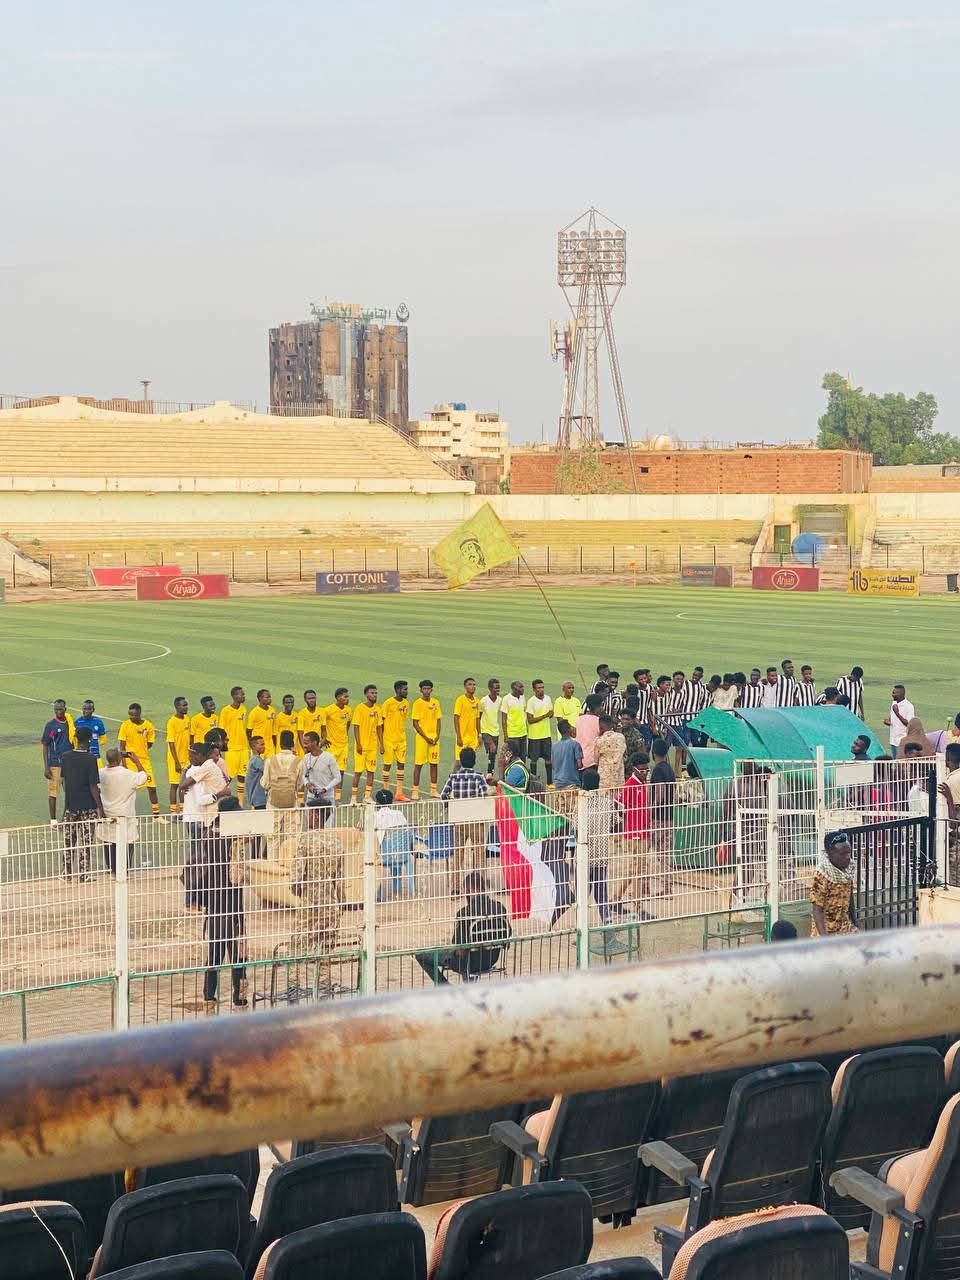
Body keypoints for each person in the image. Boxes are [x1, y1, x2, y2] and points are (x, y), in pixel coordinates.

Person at [414, 871, 511, 985]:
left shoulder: (464, 913)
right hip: (491, 959)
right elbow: (507, 937)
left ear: (468, 891)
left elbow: (460, 949)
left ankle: (445, 987)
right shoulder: (500, 908)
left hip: (469, 963)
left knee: (421, 955)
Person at [198, 797, 248, 1009]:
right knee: (239, 953)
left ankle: (209, 996)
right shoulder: (234, 840)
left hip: (213, 902)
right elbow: (238, 876)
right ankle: (240, 997)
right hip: (232, 901)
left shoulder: (207, 835)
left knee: (214, 952)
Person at [440, 745, 490, 895]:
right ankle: (479, 886)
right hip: (475, 819)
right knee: (480, 854)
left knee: (458, 855)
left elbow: (443, 795)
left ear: (461, 762)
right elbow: (484, 796)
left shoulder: (453, 777)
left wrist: (451, 807)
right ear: (474, 761)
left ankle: (455, 888)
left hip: (459, 819)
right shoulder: (479, 777)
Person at [59, 726, 104, 880]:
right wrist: (100, 808)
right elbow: (93, 786)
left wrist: (66, 804)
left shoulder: (65, 756)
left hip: (70, 806)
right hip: (88, 807)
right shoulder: (91, 759)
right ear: (90, 739)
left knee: (69, 841)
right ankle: (84, 874)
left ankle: (67, 873)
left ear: (76, 738)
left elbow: (64, 781)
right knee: (86, 842)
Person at [614, 751, 653, 913]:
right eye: (642, 771)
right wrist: (626, 817)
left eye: (647, 771)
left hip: (643, 833)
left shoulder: (643, 784)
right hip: (634, 834)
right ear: (635, 769)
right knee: (638, 871)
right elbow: (617, 803)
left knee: (635, 870)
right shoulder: (629, 784)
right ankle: (637, 906)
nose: (645, 774)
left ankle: (616, 898)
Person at [98, 746, 147, 874]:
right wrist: (137, 761)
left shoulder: (100, 773)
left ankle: (111, 869)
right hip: (125, 815)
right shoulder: (128, 774)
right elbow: (144, 777)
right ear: (120, 759)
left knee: (108, 841)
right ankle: (123, 870)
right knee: (126, 842)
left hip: (107, 814)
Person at [810, 831, 857, 937]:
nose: (847, 857)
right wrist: (825, 938)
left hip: (845, 928)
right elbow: (817, 911)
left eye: (849, 853)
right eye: (842, 854)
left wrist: (855, 923)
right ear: (830, 852)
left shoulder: (848, 871)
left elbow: (850, 899)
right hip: (825, 930)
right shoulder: (822, 875)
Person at [118, 703, 161, 817]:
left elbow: (150, 742)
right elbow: (122, 746)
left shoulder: (148, 726)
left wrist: (141, 750)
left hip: (144, 761)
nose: (131, 717)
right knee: (129, 791)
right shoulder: (125, 725)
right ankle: (127, 815)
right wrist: (124, 763)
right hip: (130, 761)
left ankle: (156, 816)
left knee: (152, 788)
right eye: (130, 715)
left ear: (139, 714)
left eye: (134, 715)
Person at [373, 789, 416, 900]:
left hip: (384, 856)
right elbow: (408, 833)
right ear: (392, 802)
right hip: (401, 853)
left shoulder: (374, 816)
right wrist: (411, 848)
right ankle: (399, 890)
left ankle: (379, 894)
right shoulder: (399, 814)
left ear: (376, 803)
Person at [40, 698, 75, 823]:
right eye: (56, 709)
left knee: (70, 792)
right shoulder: (51, 726)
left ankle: (66, 818)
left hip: (69, 764)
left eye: (60, 709)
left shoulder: (70, 723)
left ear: (65, 709)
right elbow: (45, 745)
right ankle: (53, 820)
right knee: (53, 793)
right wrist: (46, 766)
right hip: (55, 763)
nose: (58, 712)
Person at [649, 738, 676, 899]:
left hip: (659, 818)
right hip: (669, 817)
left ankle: (644, 887)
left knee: (647, 852)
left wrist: (651, 809)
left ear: (653, 753)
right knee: (665, 855)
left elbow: (660, 791)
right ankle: (668, 888)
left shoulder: (658, 770)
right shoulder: (670, 770)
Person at [299, 731, 340, 828]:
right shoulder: (305, 758)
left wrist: (325, 788)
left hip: (327, 797)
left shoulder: (329, 758)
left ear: (314, 743)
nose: (304, 746)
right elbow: (304, 775)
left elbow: (338, 777)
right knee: (311, 826)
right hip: (311, 796)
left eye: (306, 743)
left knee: (328, 827)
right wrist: (307, 784)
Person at [350, 684, 383, 802]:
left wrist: (381, 744)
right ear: (366, 694)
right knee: (358, 772)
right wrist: (358, 744)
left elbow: (379, 727)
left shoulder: (378, 709)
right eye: (372, 693)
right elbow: (356, 727)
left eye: (375, 693)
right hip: (361, 747)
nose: (374, 695)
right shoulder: (360, 708)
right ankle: (353, 798)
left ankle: (367, 796)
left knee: (371, 771)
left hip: (372, 747)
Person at [411, 679, 442, 799]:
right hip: (422, 738)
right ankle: (415, 791)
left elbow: (439, 720)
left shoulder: (436, 703)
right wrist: (426, 737)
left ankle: (433, 790)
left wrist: (437, 735)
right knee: (418, 764)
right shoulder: (417, 703)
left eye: (428, 689)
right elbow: (415, 723)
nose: (427, 691)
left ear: (431, 690)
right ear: (420, 690)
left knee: (434, 764)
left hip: (434, 738)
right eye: (424, 689)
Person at [219, 686, 249, 806]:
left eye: (243, 694)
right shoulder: (225, 711)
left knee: (242, 776)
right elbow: (221, 731)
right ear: (234, 696)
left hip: (243, 748)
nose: (243, 696)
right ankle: (220, 799)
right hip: (232, 749)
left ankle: (240, 802)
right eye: (241, 694)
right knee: (228, 777)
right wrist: (222, 748)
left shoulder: (243, 709)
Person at [262, 730, 300, 821]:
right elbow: (300, 785)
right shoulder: (299, 761)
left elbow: (265, 784)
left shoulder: (270, 760)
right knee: (292, 833)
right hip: (292, 803)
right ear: (292, 744)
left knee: (272, 833)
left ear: (280, 744)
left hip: (273, 803)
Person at [381, 680, 410, 797]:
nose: (407, 691)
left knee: (401, 764)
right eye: (405, 689)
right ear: (398, 690)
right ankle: (386, 791)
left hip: (401, 739)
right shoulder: (388, 703)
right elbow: (381, 722)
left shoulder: (406, 703)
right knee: (387, 765)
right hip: (389, 739)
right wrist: (381, 741)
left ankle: (399, 792)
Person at [323, 688, 352, 795]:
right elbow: (322, 724)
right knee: (328, 772)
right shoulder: (329, 710)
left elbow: (348, 724)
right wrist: (324, 737)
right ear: (338, 697)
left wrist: (344, 735)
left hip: (343, 745)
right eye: (345, 696)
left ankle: (337, 796)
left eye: (347, 696)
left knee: (341, 771)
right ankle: (326, 794)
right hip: (332, 746)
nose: (347, 699)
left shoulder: (348, 710)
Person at [165, 696, 191, 816]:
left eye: (186, 704)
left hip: (186, 758)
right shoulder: (172, 722)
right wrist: (176, 761)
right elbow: (171, 743)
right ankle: (173, 811)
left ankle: (182, 810)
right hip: (175, 758)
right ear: (177, 707)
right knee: (175, 785)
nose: (186, 707)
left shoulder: (187, 719)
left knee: (184, 785)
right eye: (183, 705)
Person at [525, 678, 554, 785]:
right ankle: (534, 782)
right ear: (534, 689)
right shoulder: (531, 701)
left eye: (542, 687)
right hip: (534, 736)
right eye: (538, 688)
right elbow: (530, 720)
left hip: (546, 734)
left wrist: (551, 714)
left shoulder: (548, 698)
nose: (541, 690)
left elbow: (551, 714)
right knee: (534, 760)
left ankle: (550, 782)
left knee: (548, 759)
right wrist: (544, 716)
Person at [938, 744, 960, 883]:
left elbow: (953, 821)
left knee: (956, 879)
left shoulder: (951, 781)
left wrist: (949, 799)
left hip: (957, 838)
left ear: (947, 762)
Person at [453, 677, 481, 764]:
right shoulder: (460, 700)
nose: (472, 686)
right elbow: (456, 718)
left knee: (470, 762)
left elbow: (477, 719)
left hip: (473, 738)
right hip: (463, 737)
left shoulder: (477, 701)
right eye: (470, 684)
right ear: (465, 687)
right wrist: (458, 736)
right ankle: (453, 778)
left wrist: (479, 735)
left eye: (474, 684)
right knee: (458, 762)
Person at [552, 719, 583, 795]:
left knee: (560, 806)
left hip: (558, 784)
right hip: (572, 783)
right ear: (569, 730)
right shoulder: (575, 744)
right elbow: (579, 765)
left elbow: (553, 766)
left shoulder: (554, 746)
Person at [500, 680, 527, 764]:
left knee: (523, 757)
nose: (523, 689)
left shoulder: (523, 698)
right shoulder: (506, 699)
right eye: (520, 687)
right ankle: (507, 775)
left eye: (523, 687)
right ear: (513, 689)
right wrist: (505, 735)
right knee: (510, 757)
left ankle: (523, 774)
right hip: (512, 735)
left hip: (523, 733)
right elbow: (504, 719)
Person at [479, 678, 502, 777]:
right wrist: (480, 733)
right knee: (492, 749)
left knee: (493, 754)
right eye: (495, 688)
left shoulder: (500, 700)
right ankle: (489, 774)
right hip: (486, 731)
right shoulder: (483, 701)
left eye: (498, 688)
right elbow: (478, 716)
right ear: (489, 688)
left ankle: (490, 774)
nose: (497, 690)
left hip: (495, 731)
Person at [73, 699, 107, 767]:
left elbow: (103, 739)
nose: (86, 711)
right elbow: (74, 739)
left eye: (89, 709)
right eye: (84, 709)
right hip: (81, 757)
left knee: (98, 776)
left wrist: (94, 744)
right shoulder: (77, 722)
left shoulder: (98, 722)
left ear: (93, 710)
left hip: (95, 757)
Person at [597, 714, 626, 790]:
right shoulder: (621, 737)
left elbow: (596, 760)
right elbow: (625, 755)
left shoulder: (599, 740)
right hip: (618, 778)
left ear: (601, 728)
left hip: (604, 780)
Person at [884, 684, 915, 757]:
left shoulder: (909, 706)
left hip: (902, 741)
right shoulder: (894, 703)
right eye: (893, 692)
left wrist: (897, 713)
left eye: (895, 693)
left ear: (902, 694)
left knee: (900, 763)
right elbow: (892, 719)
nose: (893, 695)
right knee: (896, 762)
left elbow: (909, 724)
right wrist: (888, 722)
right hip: (893, 739)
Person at [576, 693, 604, 771]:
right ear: (597, 707)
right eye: (601, 706)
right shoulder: (599, 721)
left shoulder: (579, 719)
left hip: (579, 759)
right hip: (593, 761)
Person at [246, 688, 278, 758]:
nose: (270, 699)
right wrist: (253, 746)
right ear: (260, 698)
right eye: (267, 697)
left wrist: (275, 745)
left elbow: (274, 731)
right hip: (259, 746)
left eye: (270, 697)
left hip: (270, 746)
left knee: (270, 767)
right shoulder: (254, 712)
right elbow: (248, 730)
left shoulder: (272, 710)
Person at [297, 689, 325, 755]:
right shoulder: (302, 713)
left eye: (313, 698)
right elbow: (300, 733)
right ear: (305, 700)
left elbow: (324, 730)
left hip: (317, 745)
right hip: (307, 746)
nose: (312, 700)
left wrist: (321, 743)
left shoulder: (322, 711)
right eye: (309, 698)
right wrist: (304, 747)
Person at [246, 736, 268, 810]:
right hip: (259, 799)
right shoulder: (256, 760)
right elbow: (268, 771)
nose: (264, 746)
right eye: (261, 744)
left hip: (256, 799)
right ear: (254, 747)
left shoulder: (253, 759)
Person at [275, 694, 299, 758]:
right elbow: (274, 734)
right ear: (283, 704)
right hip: (282, 748)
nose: (290, 704)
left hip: (294, 748)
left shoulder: (297, 715)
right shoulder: (278, 717)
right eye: (287, 703)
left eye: (292, 702)